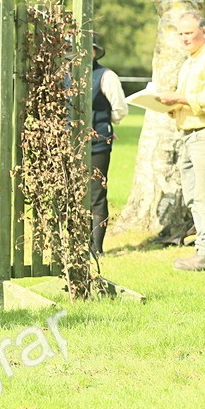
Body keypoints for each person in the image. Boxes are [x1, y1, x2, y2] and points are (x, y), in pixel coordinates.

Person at [156, 11, 205, 271]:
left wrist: (177, 99)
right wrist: (168, 104)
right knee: (193, 196)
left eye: (189, 33)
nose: (184, 38)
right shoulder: (191, 61)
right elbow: (188, 99)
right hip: (189, 134)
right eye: (180, 34)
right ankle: (203, 248)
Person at [88, 34, 127, 257]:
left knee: (96, 195)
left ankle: (97, 247)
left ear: (95, 51)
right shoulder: (64, 74)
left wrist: (101, 121)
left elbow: (120, 109)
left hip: (98, 143)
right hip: (71, 145)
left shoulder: (106, 76)